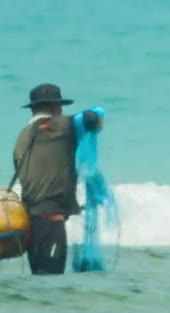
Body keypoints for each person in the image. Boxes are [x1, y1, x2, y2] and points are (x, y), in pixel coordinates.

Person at [13, 83, 103, 275]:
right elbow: (90, 117)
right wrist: (98, 120)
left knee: (40, 283)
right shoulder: (61, 125)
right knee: (52, 284)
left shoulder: (22, 137)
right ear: (54, 107)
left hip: (30, 227)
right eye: (60, 107)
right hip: (51, 225)